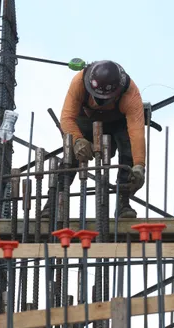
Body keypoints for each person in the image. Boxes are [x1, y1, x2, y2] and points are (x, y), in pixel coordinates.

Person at [41, 60, 146, 218]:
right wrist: (77, 140)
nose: (100, 102)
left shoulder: (130, 93)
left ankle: (123, 204)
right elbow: (67, 118)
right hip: (86, 122)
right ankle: (52, 204)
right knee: (70, 156)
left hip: (117, 124)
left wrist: (139, 166)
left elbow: (137, 132)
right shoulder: (79, 82)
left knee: (128, 152)